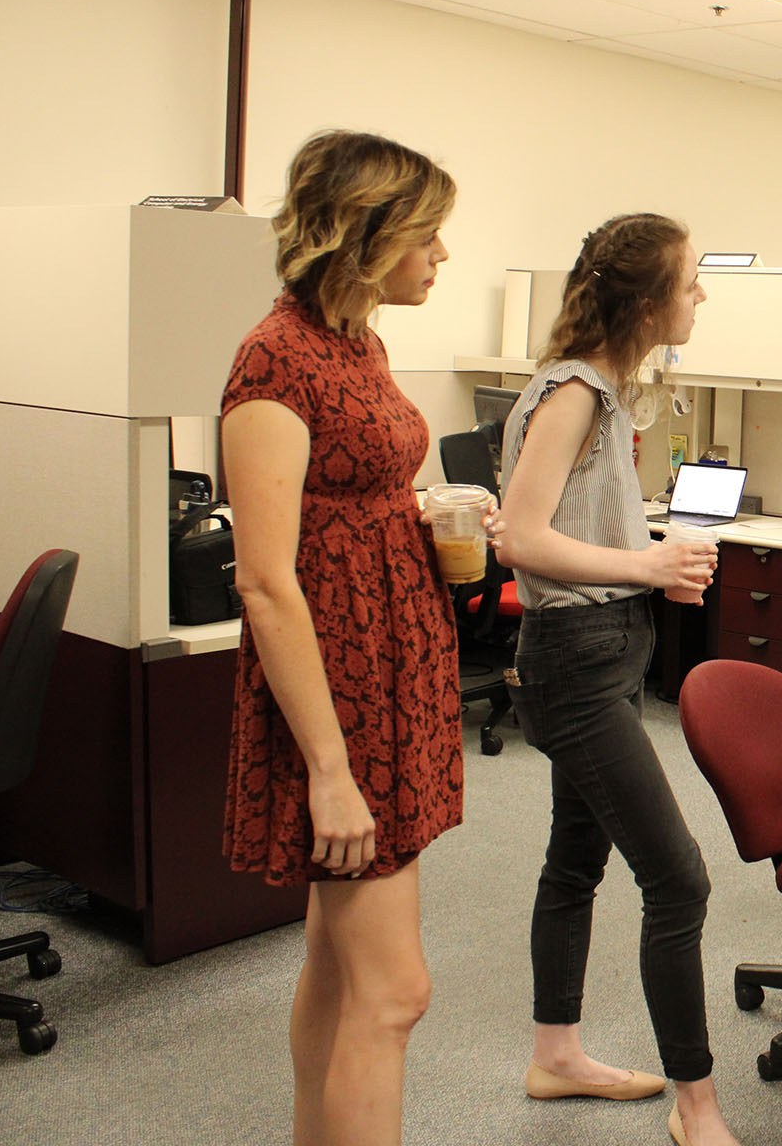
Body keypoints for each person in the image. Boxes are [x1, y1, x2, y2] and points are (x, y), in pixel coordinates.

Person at [221, 129, 462, 1146]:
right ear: (363, 236)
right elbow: (270, 581)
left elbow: (353, 499)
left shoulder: (357, 341)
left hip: (396, 665)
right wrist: (328, 768)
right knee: (396, 992)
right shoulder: (275, 359)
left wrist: (433, 513)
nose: (441, 257)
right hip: (341, 692)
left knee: (337, 957)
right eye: (428, 237)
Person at [488, 214, 739, 1146]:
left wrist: (644, 549)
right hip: (578, 665)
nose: (700, 297)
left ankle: (555, 1054)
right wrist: (651, 567)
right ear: (645, 300)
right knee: (679, 881)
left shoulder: (596, 386)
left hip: (605, 651)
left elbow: (563, 523)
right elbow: (520, 538)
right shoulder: (578, 392)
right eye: (690, 282)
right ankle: (697, 1104)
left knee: (576, 858)